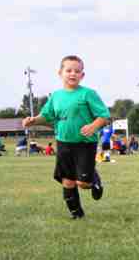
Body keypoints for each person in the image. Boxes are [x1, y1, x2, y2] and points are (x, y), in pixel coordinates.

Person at [22, 55, 109, 219]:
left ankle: (94, 179)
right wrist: (33, 120)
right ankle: (77, 214)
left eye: (77, 71)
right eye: (68, 70)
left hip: (85, 144)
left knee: (82, 183)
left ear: (82, 75)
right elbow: (46, 116)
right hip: (63, 143)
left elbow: (104, 116)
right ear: (60, 73)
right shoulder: (56, 96)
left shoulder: (88, 94)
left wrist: (93, 126)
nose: (72, 74)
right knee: (68, 181)